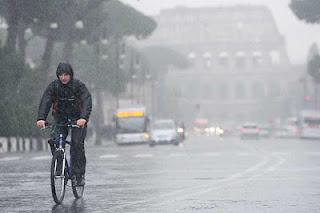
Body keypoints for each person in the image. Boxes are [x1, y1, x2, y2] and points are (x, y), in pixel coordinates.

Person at [36, 62, 92, 186]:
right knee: (55, 141)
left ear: (70, 75)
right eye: (61, 75)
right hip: (60, 119)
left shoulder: (78, 86)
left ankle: (78, 175)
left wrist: (83, 118)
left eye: (66, 74)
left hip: (78, 120)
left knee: (76, 144)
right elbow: (46, 100)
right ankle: (60, 167)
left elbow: (87, 101)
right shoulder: (54, 87)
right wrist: (41, 118)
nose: (63, 77)